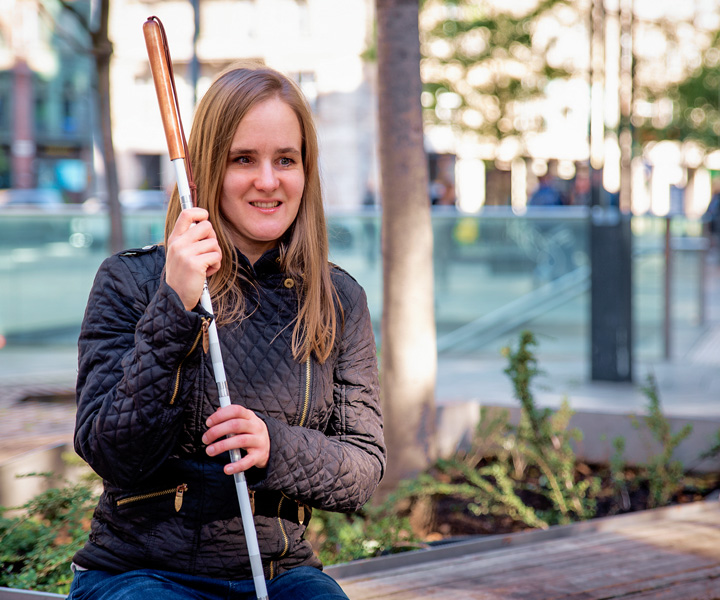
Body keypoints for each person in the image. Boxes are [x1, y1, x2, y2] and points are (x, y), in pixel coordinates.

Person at [68, 62, 385, 600]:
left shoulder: (337, 299)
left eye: (286, 159)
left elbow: (364, 467)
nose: (268, 180)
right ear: (207, 170)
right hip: (139, 573)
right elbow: (112, 452)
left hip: (278, 574)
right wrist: (175, 305)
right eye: (244, 159)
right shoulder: (131, 281)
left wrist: (274, 446)